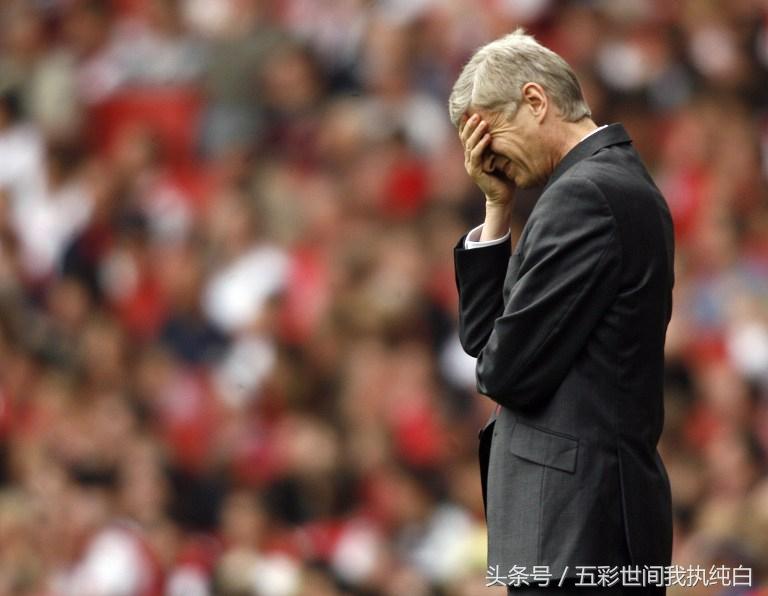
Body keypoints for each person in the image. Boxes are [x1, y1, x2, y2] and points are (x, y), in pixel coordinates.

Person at [449, 29, 674, 594]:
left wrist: (497, 360)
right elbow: (484, 342)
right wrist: (497, 208)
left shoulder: (585, 195)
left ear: (534, 100)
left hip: (580, 528)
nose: (486, 156)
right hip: (587, 524)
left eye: (489, 133)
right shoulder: (605, 183)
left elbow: (503, 371)